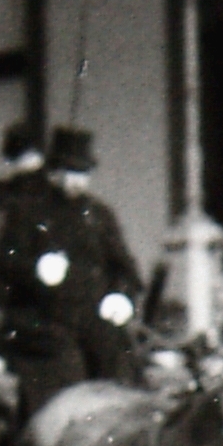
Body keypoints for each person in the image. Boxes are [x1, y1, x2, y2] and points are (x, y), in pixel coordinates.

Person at [46, 125, 144, 386]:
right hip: (53, 325)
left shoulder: (99, 215)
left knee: (118, 378)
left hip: (98, 320)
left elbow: (126, 268)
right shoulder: (36, 214)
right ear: (54, 172)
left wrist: (121, 296)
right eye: (69, 171)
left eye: (82, 173)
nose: (76, 180)